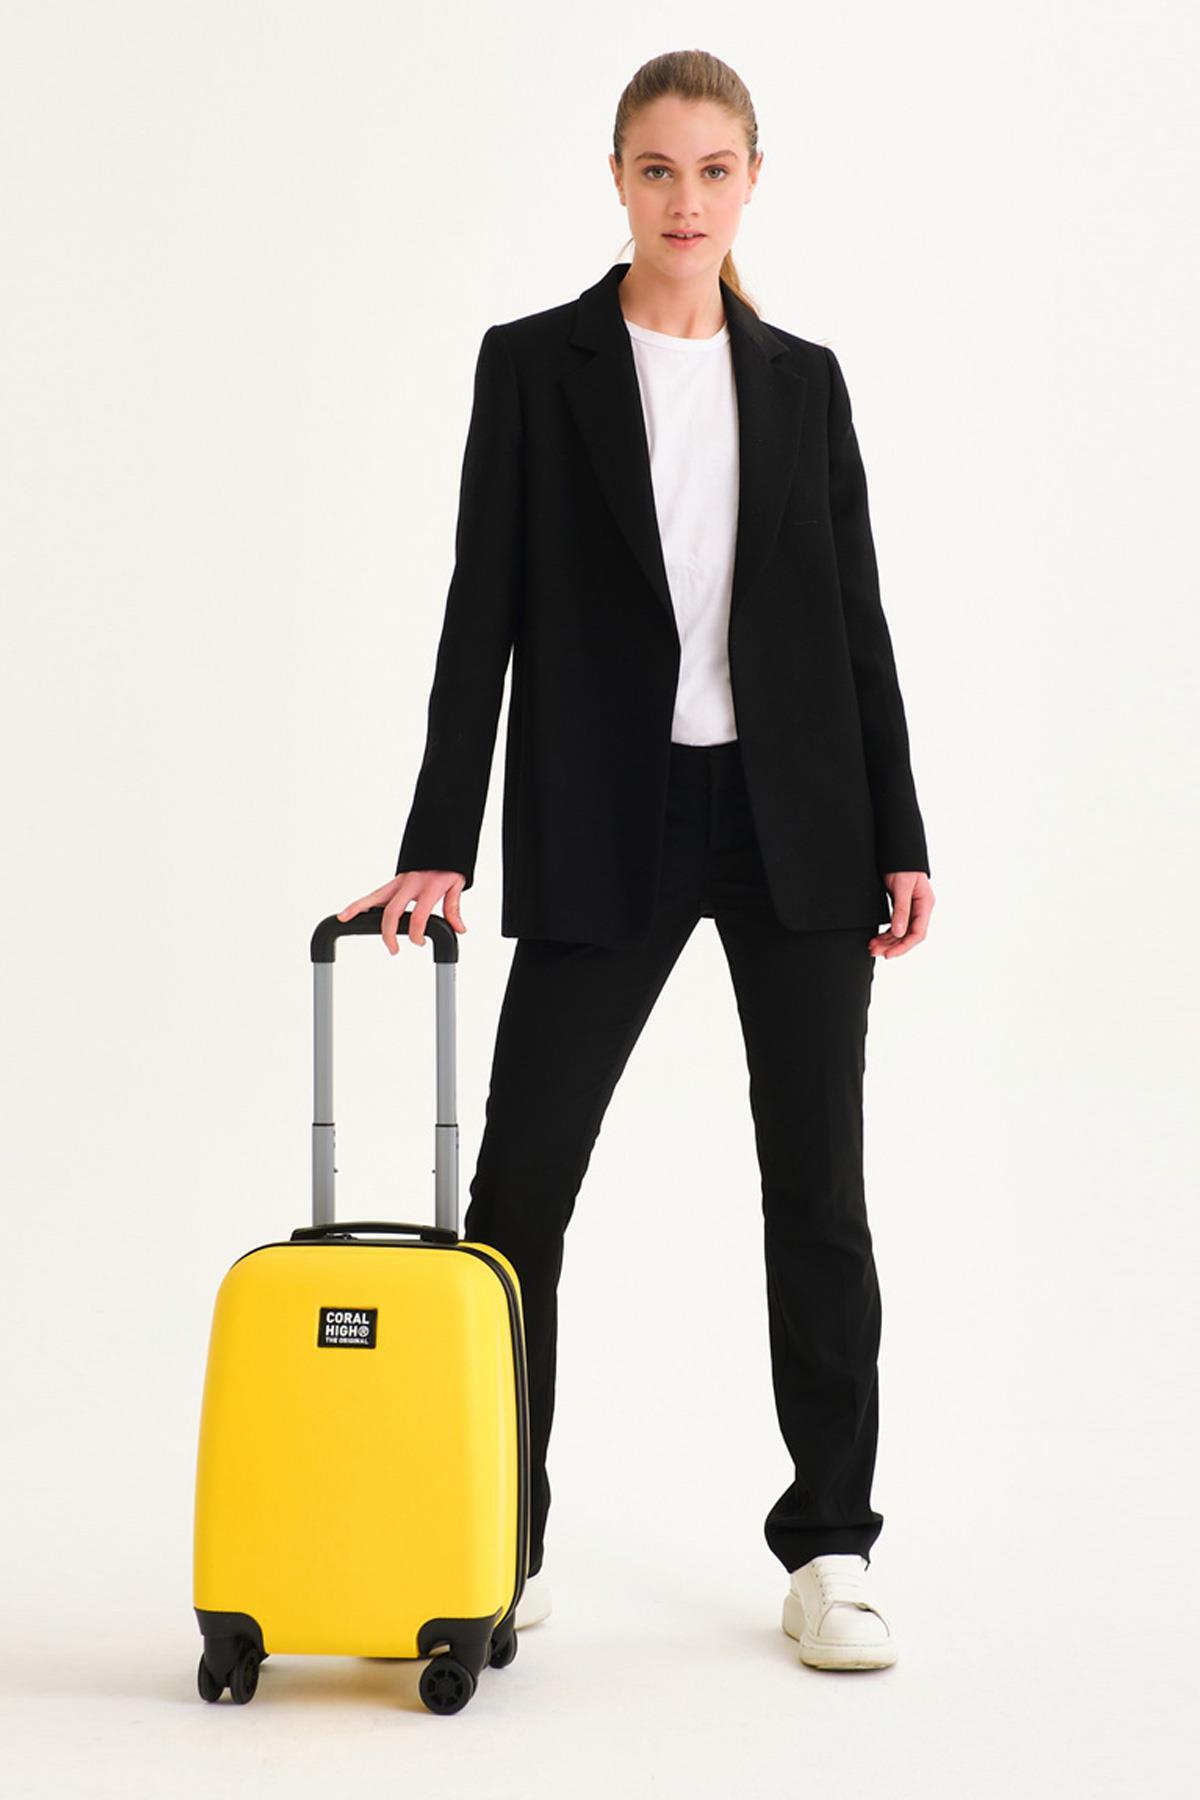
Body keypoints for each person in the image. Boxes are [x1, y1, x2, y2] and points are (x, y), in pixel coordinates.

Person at [338, 48, 934, 1672]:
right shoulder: (535, 366)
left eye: (714, 170)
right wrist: (437, 844)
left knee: (818, 1192)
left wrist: (900, 835)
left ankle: (831, 1549)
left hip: (798, 822)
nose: (686, 200)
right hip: (610, 815)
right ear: (617, 177)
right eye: (658, 169)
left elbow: (856, 622)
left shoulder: (803, 381)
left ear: (753, 180)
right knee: (520, 1189)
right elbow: (480, 609)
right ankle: (500, 1535)